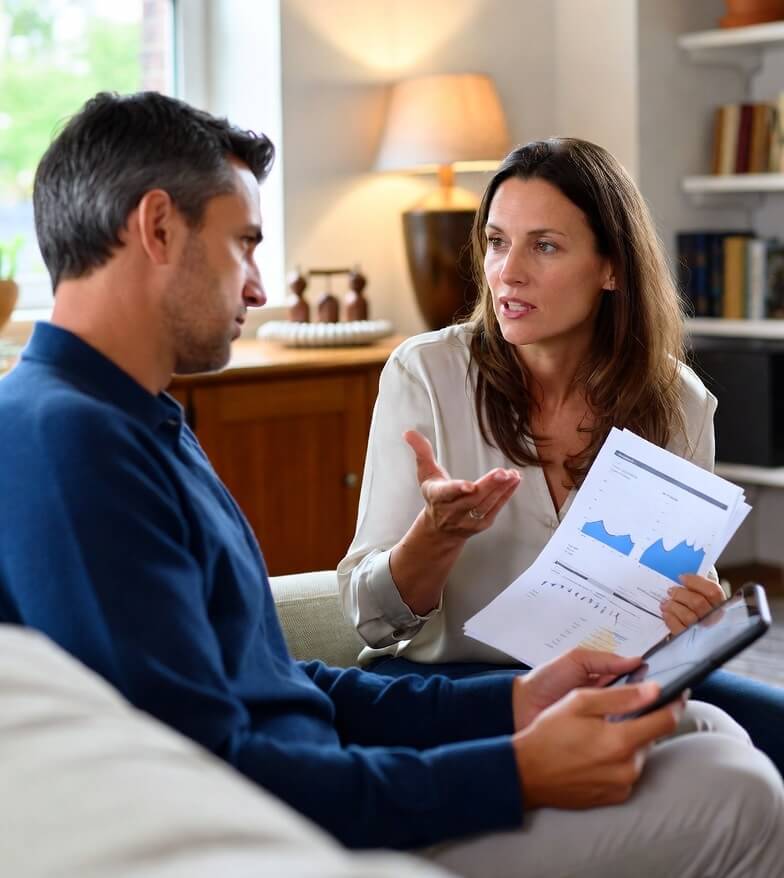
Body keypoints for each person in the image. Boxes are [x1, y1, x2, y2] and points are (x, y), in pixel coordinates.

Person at [0, 93, 781, 878]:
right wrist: (515, 771)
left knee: (711, 736)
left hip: (339, 776)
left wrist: (517, 702)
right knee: (739, 789)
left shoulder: (140, 421)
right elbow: (203, 773)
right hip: (322, 828)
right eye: (244, 245)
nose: (259, 290)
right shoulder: (69, 442)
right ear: (158, 227)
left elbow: (275, 685)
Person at [338, 137, 784, 774]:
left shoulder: (679, 401)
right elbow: (368, 620)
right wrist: (434, 539)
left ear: (612, 268)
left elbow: (673, 610)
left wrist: (696, 615)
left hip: (612, 678)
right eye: (496, 242)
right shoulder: (426, 374)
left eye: (543, 245)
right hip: (462, 687)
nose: (507, 272)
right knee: (713, 762)